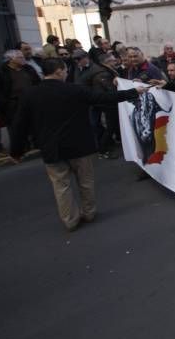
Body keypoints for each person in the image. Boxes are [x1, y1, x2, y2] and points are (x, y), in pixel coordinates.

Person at [10, 58, 146, 230]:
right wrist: (133, 92)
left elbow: (19, 124)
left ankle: (70, 220)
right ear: (59, 71)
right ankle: (89, 212)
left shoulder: (30, 94)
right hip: (80, 146)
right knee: (85, 182)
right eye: (65, 70)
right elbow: (104, 98)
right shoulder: (75, 90)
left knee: (61, 186)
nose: (67, 73)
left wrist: (16, 151)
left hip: (51, 148)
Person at [0, 50, 40, 147]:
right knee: (17, 127)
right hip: (13, 104)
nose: (23, 59)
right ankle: (22, 147)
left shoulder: (28, 69)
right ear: (10, 60)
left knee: (34, 125)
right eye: (20, 57)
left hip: (31, 102)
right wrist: (5, 104)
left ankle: (37, 144)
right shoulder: (0, 72)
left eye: (22, 57)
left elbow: (37, 83)